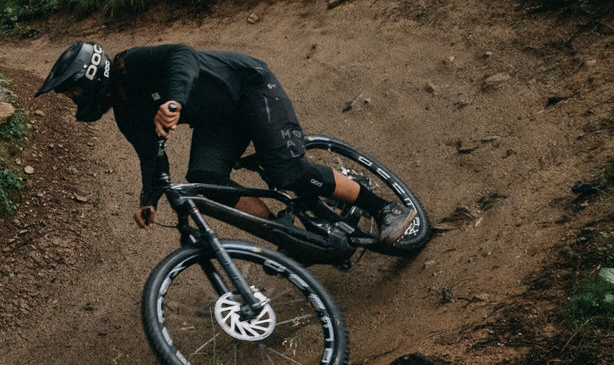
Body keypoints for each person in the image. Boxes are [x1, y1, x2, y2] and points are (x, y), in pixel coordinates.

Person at [34, 41, 412, 247]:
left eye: (74, 91)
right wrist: (149, 200)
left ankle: (385, 209)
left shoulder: (132, 64)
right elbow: (152, 158)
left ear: (91, 76)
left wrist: (174, 100)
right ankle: (289, 237)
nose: (75, 100)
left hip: (249, 88)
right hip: (219, 121)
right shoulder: (126, 113)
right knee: (205, 179)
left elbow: (182, 55)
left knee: (287, 171)